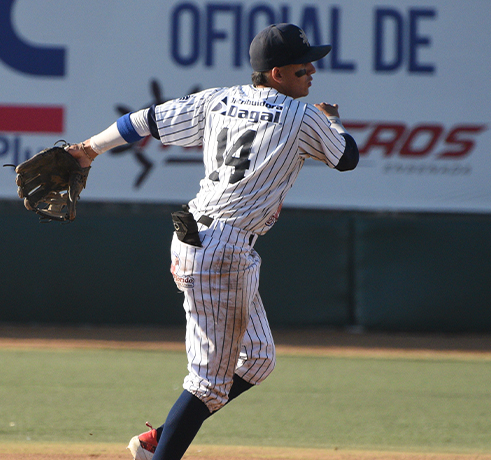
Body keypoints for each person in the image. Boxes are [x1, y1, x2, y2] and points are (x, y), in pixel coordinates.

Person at [64, 23, 359, 460]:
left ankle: (156, 442)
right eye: (303, 65)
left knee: (257, 359)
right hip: (223, 249)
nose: (312, 69)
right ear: (277, 73)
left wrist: (87, 150)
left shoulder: (218, 98)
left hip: (197, 237)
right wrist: (333, 119)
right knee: (206, 382)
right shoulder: (304, 116)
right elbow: (347, 158)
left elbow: (140, 121)